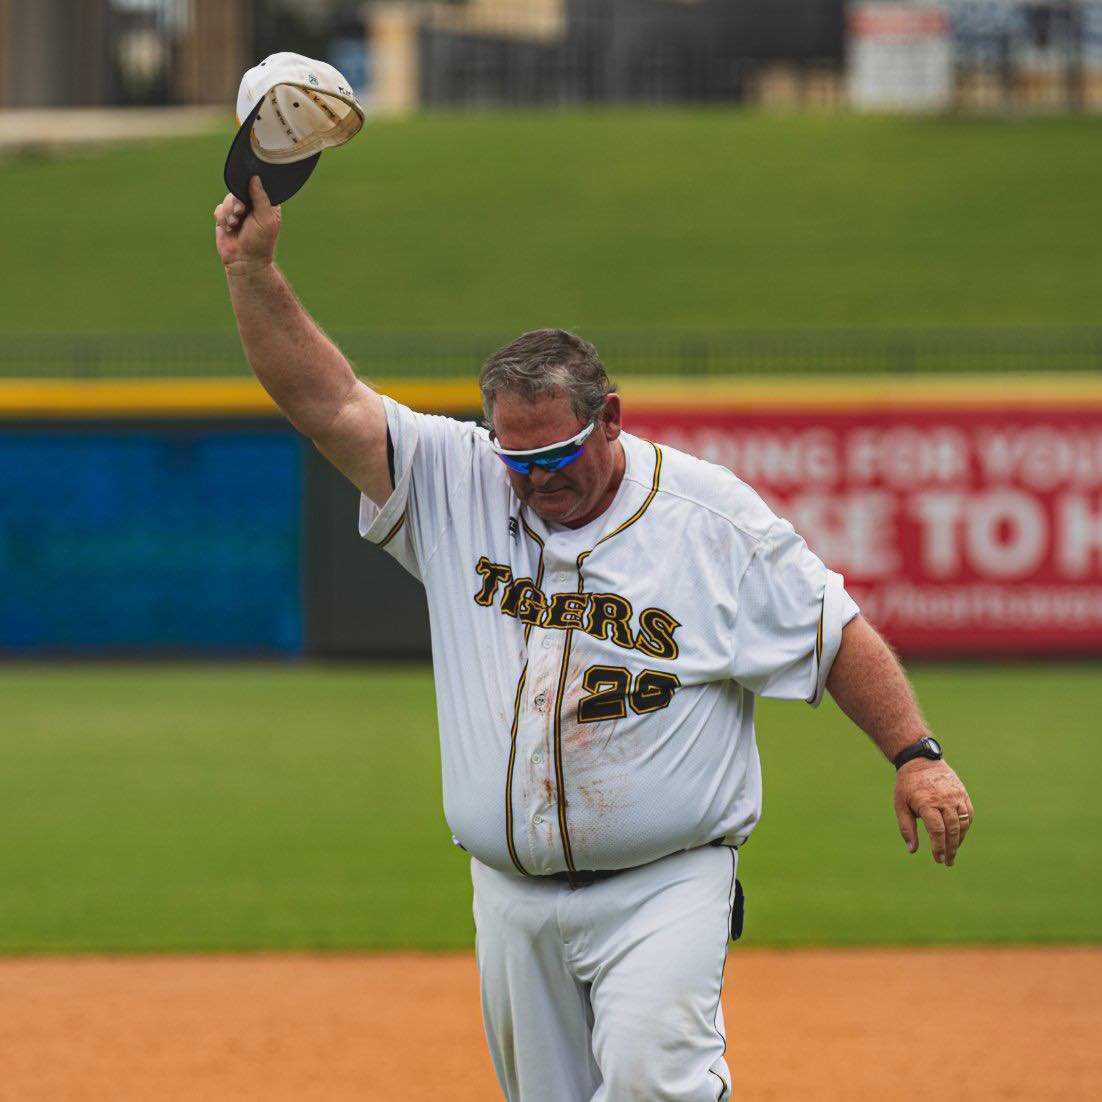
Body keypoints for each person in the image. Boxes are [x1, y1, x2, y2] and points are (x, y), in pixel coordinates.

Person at [214, 176, 975, 1101]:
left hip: (665, 882)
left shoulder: (709, 521)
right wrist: (253, 271)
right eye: (517, 458)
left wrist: (917, 755)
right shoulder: (464, 482)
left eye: (556, 453)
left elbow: (835, 634)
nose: (535, 479)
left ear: (609, 418)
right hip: (509, 895)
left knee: (660, 1085)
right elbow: (324, 402)